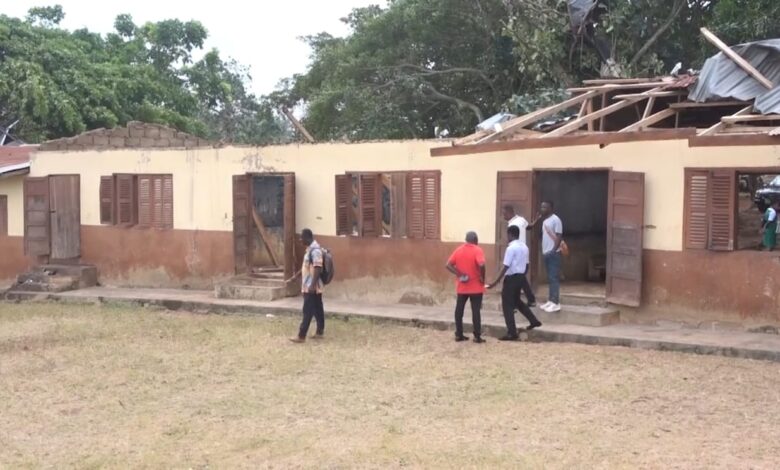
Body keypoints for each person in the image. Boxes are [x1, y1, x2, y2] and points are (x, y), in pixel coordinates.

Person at [486, 225, 542, 341]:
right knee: (517, 301)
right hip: (521, 276)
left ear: (510, 235)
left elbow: (505, 267)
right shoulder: (525, 247)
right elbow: (527, 265)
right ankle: (534, 320)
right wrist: (521, 276)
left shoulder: (511, 248)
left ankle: (512, 332)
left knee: (507, 305)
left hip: (511, 278)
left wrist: (495, 282)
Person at [446, 231, 487, 343]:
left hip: (462, 286)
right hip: (476, 287)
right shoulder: (477, 250)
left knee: (459, 310)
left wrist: (459, 273)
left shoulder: (459, 250)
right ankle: (477, 336)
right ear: (475, 239)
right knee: (476, 311)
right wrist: (482, 278)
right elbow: (482, 265)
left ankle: (459, 334)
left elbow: (448, 265)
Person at [290, 228, 325, 343]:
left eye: (302, 238)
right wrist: (297, 276)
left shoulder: (315, 251)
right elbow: (307, 266)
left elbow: (318, 267)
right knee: (317, 309)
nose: (300, 240)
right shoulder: (309, 250)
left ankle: (301, 335)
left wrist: (312, 285)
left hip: (311, 287)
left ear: (307, 238)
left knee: (307, 310)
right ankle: (320, 331)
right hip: (310, 285)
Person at [529, 201, 563, 313]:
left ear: (550, 208)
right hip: (546, 253)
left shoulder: (556, 219)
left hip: (553, 253)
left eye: (545, 207)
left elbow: (559, 236)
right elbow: (530, 227)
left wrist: (553, 250)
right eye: (542, 206)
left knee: (554, 278)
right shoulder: (544, 221)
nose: (542, 208)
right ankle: (551, 300)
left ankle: (556, 303)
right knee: (550, 278)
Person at [502, 204, 536, 307]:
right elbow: (529, 227)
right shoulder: (521, 220)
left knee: (515, 277)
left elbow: (511, 238)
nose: (503, 216)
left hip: (516, 252)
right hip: (524, 250)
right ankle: (530, 299)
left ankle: (513, 304)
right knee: (521, 277)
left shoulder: (512, 225)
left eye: (504, 214)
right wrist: (535, 222)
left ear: (510, 212)